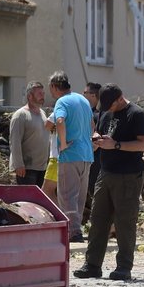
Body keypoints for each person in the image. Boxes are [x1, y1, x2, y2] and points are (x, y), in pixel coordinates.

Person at [75, 83, 144, 281]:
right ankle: (92, 265)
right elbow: (100, 136)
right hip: (105, 173)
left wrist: (116, 145)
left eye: (111, 104)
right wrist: (96, 140)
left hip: (128, 175)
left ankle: (124, 267)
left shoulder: (136, 114)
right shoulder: (106, 113)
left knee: (125, 222)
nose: (108, 109)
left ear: (120, 98)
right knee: (98, 221)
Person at [48, 71, 93, 244]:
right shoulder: (83, 100)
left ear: (54, 86)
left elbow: (59, 121)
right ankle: (76, 229)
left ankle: (72, 233)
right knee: (79, 197)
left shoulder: (62, 101)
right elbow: (91, 125)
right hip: (86, 155)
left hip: (70, 154)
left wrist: (64, 143)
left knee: (67, 195)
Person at [8, 81, 50, 186]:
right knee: (28, 201)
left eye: (43, 93)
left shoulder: (43, 114)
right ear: (30, 96)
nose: (42, 96)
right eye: (39, 94)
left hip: (42, 167)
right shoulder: (20, 115)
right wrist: (18, 165)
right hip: (27, 168)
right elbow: (15, 142)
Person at [81, 82, 103, 225]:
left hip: (94, 161)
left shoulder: (95, 116)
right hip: (93, 160)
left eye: (85, 93)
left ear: (93, 96)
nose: (83, 95)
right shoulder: (95, 114)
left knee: (95, 192)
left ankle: (100, 224)